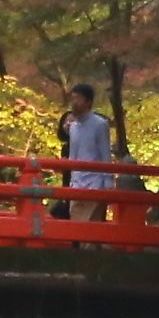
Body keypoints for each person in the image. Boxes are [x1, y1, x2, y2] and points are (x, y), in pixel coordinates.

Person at [60, 84, 127, 218]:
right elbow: (73, 156)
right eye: (73, 99)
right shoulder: (73, 127)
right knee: (77, 225)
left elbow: (105, 154)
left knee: (89, 225)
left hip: (95, 183)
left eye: (78, 99)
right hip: (76, 184)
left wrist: (108, 183)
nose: (74, 103)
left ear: (88, 102)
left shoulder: (99, 124)